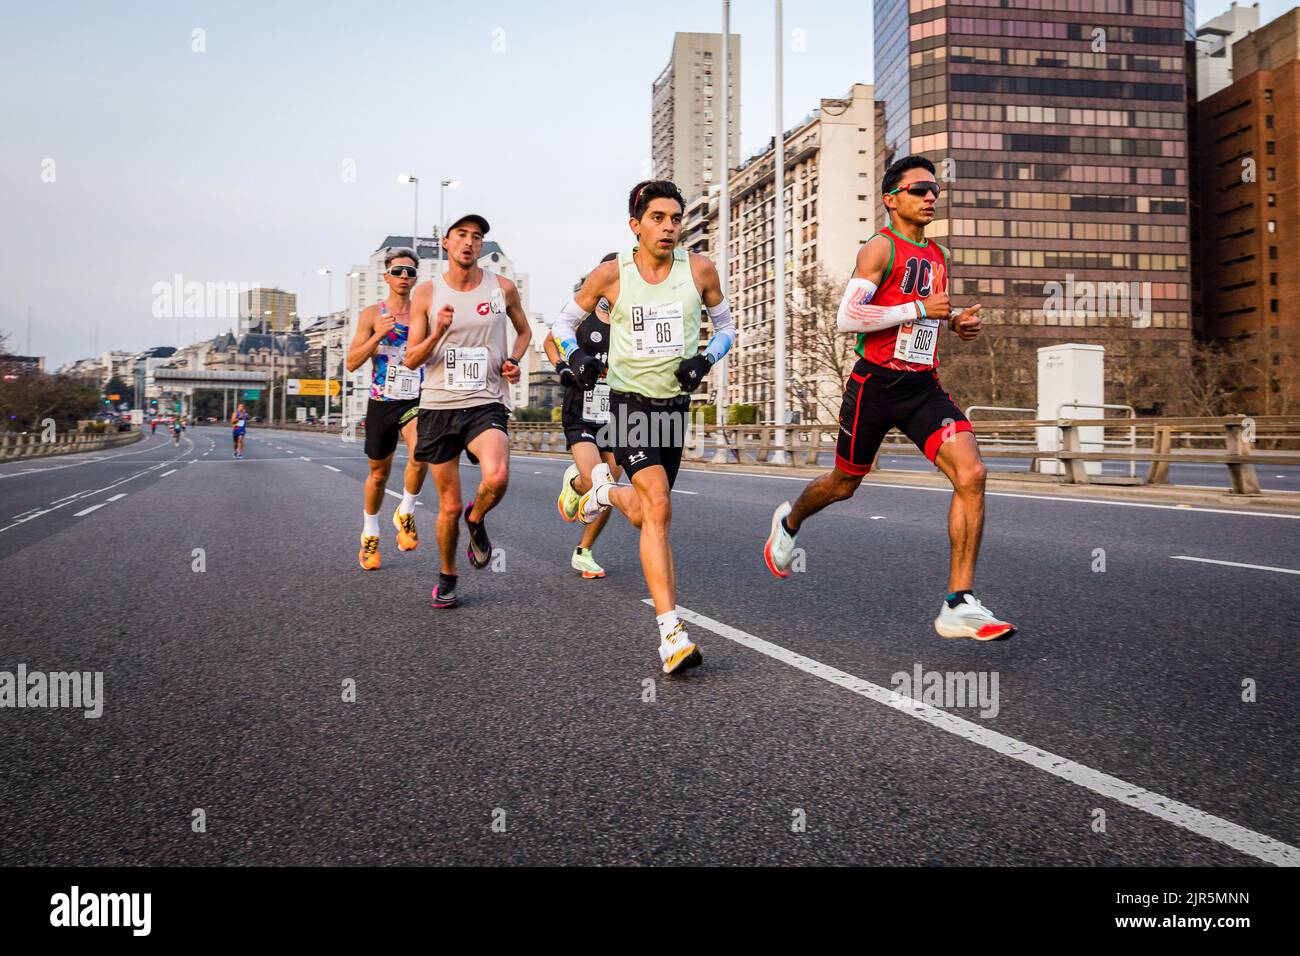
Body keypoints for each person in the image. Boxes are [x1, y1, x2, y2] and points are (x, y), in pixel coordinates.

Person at [762, 155, 1014, 641]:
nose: (930, 197)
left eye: (934, 190)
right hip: (873, 385)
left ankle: (958, 603)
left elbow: (921, 314)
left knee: (973, 473)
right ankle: (790, 523)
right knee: (843, 484)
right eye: (919, 189)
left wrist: (952, 321)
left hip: (921, 387)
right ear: (891, 198)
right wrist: (920, 306)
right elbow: (849, 317)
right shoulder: (880, 247)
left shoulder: (937, 256)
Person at [552, 180, 736, 674]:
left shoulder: (698, 270)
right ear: (636, 225)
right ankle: (671, 633)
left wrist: (704, 361)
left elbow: (727, 328)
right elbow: (561, 325)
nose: (669, 226)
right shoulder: (612, 274)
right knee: (656, 506)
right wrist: (574, 362)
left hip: (673, 408)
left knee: (648, 515)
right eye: (658, 217)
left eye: (675, 218)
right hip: (626, 405)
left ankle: (603, 493)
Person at [404, 214, 532, 609]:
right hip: (439, 405)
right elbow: (411, 360)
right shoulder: (426, 294)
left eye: (477, 237)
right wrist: (439, 331)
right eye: (461, 235)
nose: (469, 242)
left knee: (497, 475)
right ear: (446, 243)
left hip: (485, 401)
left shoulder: (502, 288)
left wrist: (512, 360)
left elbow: (525, 332)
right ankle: (447, 576)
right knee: (448, 506)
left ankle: (477, 519)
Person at [345, 247, 430, 571]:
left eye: (410, 272)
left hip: (414, 399)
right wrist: (378, 334)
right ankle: (370, 534)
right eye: (398, 271)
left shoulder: (423, 312)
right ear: (386, 276)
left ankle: (406, 510)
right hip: (382, 401)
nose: (404, 277)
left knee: (422, 450)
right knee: (378, 474)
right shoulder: (371, 315)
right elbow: (352, 362)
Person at [547, 253, 622, 578]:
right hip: (581, 409)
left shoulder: (633, 323)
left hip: (617, 412)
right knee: (598, 479)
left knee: (611, 483)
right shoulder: (582, 316)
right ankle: (577, 483)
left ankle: (584, 550)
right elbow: (551, 339)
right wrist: (563, 366)